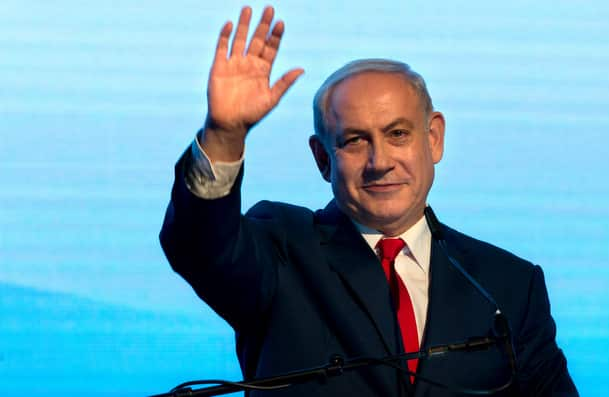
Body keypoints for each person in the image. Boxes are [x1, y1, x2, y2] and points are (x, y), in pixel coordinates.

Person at [160, 5, 578, 397]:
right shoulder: (282, 248)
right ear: (322, 158)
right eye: (355, 141)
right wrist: (224, 134)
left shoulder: (508, 285)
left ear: (433, 138)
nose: (380, 163)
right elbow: (199, 248)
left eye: (398, 134)